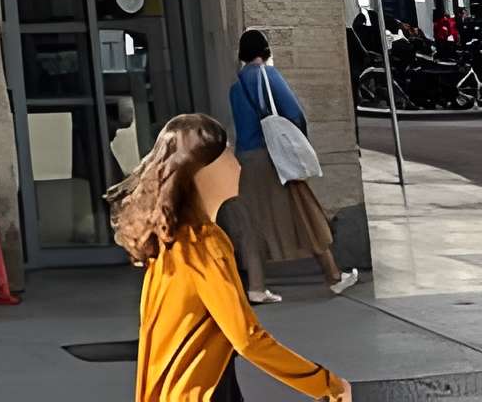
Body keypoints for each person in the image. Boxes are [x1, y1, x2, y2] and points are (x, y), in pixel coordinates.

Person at [108, 113, 348, 402]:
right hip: (203, 393)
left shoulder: (170, 243)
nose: (237, 164)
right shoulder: (205, 243)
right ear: (203, 170)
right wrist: (327, 384)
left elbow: (153, 340)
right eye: (228, 154)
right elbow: (247, 339)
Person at [226, 30, 357, 304]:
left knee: (253, 222)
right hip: (274, 158)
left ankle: (257, 287)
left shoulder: (236, 87)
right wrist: (298, 144)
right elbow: (294, 112)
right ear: (265, 49)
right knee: (304, 210)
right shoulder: (268, 75)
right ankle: (333, 276)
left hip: (246, 160)